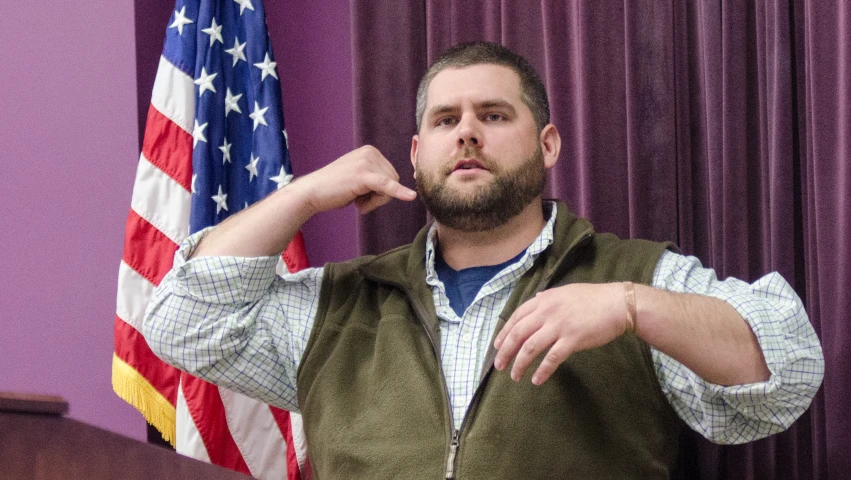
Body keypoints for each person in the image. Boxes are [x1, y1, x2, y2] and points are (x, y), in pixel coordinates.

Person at [143, 42, 823, 479]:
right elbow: (179, 321)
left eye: (494, 115)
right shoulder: (336, 305)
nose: (466, 130)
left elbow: (785, 373)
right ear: (415, 153)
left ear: (548, 144)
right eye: (445, 121)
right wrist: (302, 197)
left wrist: (631, 308)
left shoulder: (636, 278)